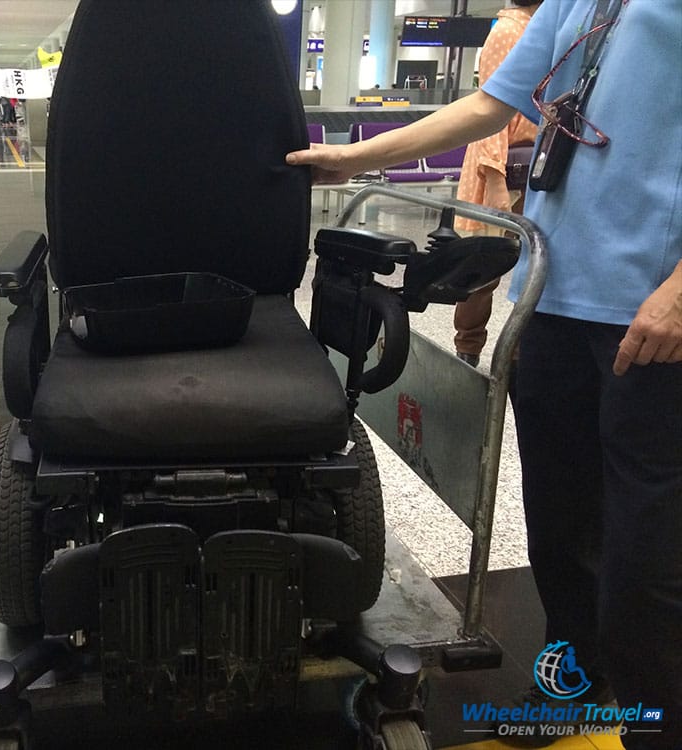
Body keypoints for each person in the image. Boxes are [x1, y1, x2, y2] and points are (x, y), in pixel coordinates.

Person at [287, 2, 681, 749]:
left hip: (654, 316)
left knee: (648, 565)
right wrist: (354, 161)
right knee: (560, 534)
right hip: (554, 298)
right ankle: (573, 688)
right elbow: (488, 104)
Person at [453, 0, 542, 369]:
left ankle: (518, 357)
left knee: (532, 267)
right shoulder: (508, 30)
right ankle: (467, 352)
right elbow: (492, 111)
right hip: (503, 166)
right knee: (484, 268)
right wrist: (494, 179)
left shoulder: (542, 29)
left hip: (537, 168)